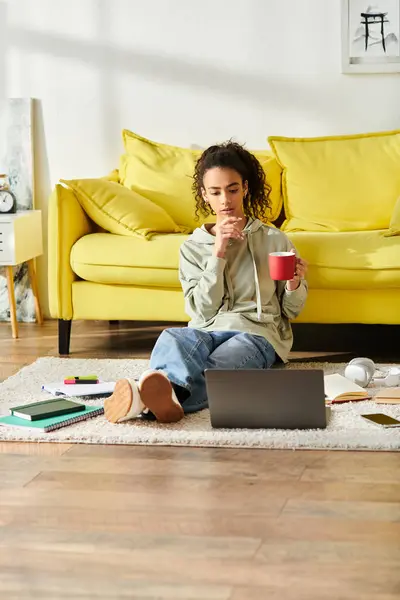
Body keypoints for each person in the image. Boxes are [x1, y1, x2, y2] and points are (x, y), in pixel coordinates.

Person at [104, 141, 308, 424]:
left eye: (233, 189)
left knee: (220, 366)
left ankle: (145, 399)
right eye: (215, 192)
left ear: (245, 188)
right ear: (205, 195)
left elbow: (291, 311)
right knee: (172, 338)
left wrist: (294, 285)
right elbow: (200, 312)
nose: (225, 200)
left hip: (256, 333)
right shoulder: (192, 247)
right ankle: (160, 397)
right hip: (207, 329)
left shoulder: (274, 240)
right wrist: (218, 253)